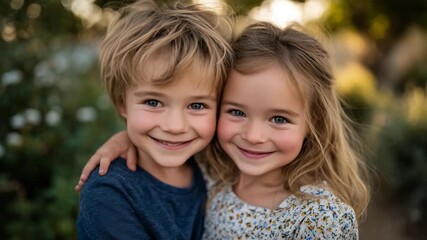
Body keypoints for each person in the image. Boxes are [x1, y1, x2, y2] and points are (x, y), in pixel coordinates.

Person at [76, 21, 370, 239]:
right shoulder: (213, 175)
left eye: (279, 119)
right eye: (236, 112)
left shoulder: (318, 219)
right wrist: (126, 137)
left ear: (314, 122)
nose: (254, 136)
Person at [76, 0, 233, 239]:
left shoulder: (212, 165)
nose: (175, 126)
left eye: (197, 105)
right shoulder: (110, 192)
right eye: (153, 102)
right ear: (122, 103)